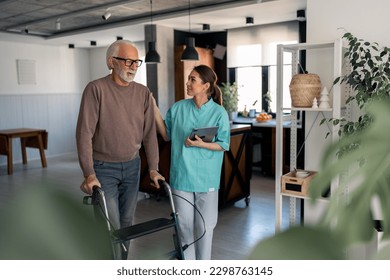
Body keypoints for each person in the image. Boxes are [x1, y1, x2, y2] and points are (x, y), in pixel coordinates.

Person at [76, 39, 164, 260]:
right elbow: (84, 133)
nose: (133, 66)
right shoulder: (96, 89)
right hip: (104, 168)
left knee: (126, 223)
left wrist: (153, 168)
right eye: (128, 61)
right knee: (111, 224)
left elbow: (149, 135)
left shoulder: (143, 93)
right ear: (111, 62)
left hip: (133, 166)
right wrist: (89, 173)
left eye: (136, 61)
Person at [153, 65, 230, 260]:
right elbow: (166, 134)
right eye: (188, 78)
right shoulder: (178, 108)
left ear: (205, 86)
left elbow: (223, 144)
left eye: (192, 79)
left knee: (205, 228)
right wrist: (153, 107)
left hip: (207, 178)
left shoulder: (219, 112)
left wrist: (202, 144)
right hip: (182, 177)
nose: (188, 83)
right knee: (184, 228)